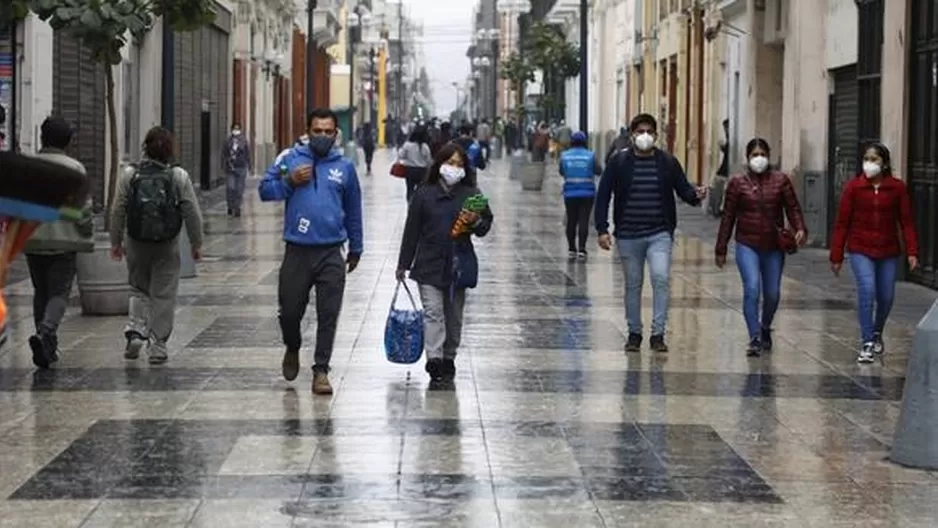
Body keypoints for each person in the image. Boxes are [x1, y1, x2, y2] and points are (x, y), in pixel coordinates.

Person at [259, 108, 363, 395]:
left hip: (331, 252)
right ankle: (292, 346)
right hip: (297, 250)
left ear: (336, 134)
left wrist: (356, 247)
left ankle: (321, 370)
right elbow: (265, 190)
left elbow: (354, 208)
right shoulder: (289, 159)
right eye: (317, 131)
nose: (323, 136)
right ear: (308, 131)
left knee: (328, 314)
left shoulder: (344, 167)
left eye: (328, 131)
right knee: (290, 312)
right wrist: (289, 181)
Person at [595, 113, 707, 353]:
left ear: (656, 135)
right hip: (628, 235)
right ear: (632, 135)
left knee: (661, 279)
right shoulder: (619, 162)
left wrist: (695, 195)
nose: (645, 136)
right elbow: (603, 194)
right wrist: (602, 229)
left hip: (659, 233)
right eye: (640, 131)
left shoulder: (667, 162)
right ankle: (634, 333)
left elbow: (683, 188)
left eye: (649, 131)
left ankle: (658, 334)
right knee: (633, 284)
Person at [396, 143, 493, 387]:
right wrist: (403, 263)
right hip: (428, 263)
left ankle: (449, 356)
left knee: (454, 317)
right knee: (433, 313)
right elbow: (412, 230)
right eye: (450, 163)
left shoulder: (472, 194)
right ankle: (434, 359)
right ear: (439, 164)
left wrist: (476, 221)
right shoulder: (424, 193)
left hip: (458, 265)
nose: (454, 168)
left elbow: (485, 227)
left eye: (460, 164)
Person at [110, 126, 204, 365]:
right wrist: (196, 243)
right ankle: (158, 345)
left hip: (136, 241)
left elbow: (118, 209)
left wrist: (115, 241)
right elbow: (191, 212)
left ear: (145, 147)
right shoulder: (178, 176)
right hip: (167, 244)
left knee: (138, 287)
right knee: (163, 293)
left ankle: (135, 330)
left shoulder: (130, 174)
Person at [715, 138, 807, 357]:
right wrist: (721, 247)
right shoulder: (737, 183)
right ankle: (754, 336)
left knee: (773, 294)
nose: (759, 159)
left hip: (773, 247)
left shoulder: (781, 180)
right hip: (747, 244)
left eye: (762, 154)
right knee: (752, 288)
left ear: (769, 156)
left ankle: (765, 326)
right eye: (754, 155)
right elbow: (728, 217)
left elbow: (792, 207)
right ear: (747, 158)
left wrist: (799, 227)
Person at [829, 142, 918, 364]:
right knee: (867, 290)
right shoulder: (854, 188)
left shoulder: (897, 188)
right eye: (866, 159)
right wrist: (836, 255)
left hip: (888, 250)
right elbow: (842, 224)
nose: (869, 164)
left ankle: (878, 330)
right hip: (860, 248)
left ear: (884, 163)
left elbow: (906, 222)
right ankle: (866, 341)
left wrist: (912, 251)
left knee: (886, 297)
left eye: (874, 159)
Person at [23, 117, 94, 368]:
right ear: (68, 141)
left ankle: (47, 345)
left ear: (43, 138)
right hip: (64, 241)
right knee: (59, 292)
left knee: (40, 291)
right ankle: (46, 332)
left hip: (32, 240)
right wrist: (87, 230)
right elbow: (83, 208)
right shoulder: (74, 168)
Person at [559, 131, 602, 260]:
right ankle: (582, 249)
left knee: (571, 220)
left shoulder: (564, 156)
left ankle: (572, 248)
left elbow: (561, 171)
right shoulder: (591, 156)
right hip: (587, 193)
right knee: (584, 220)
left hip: (570, 193)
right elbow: (599, 170)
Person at [223, 123, 252, 217]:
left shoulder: (244, 141)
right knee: (231, 187)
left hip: (241, 167)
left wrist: (250, 166)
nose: (236, 130)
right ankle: (230, 206)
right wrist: (223, 165)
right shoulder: (227, 140)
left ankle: (237, 207)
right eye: (234, 129)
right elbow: (224, 154)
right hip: (230, 168)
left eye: (237, 129)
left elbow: (247, 154)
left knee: (239, 189)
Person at [398, 126, 433, 201]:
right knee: (421, 189)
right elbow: (429, 161)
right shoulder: (425, 146)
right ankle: (419, 204)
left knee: (409, 189)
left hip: (410, 170)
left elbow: (401, 155)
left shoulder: (407, 145)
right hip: (422, 171)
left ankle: (410, 203)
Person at [709, 119, 730, 218]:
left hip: (726, 168)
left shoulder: (731, 136)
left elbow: (729, 150)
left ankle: (717, 209)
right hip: (724, 168)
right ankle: (716, 208)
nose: (725, 130)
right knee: (718, 187)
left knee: (718, 187)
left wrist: (723, 148)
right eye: (725, 128)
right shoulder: (729, 137)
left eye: (726, 127)